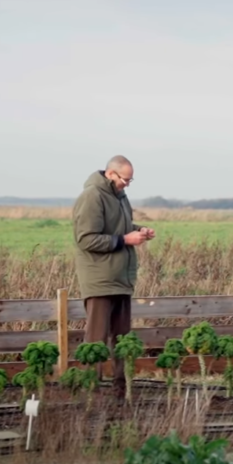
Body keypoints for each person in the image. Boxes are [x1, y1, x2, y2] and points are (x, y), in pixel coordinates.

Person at [72, 155, 155, 398]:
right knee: (96, 339)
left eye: (130, 180)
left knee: (123, 338)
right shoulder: (92, 197)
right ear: (110, 174)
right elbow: (86, 239)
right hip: (99, 279)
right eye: (124, 179)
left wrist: (138, 230)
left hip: (121, 278)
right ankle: (91, 389)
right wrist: (125, 240)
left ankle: (122, 389)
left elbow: (120, 226)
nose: (127, 184)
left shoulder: (119, 196)